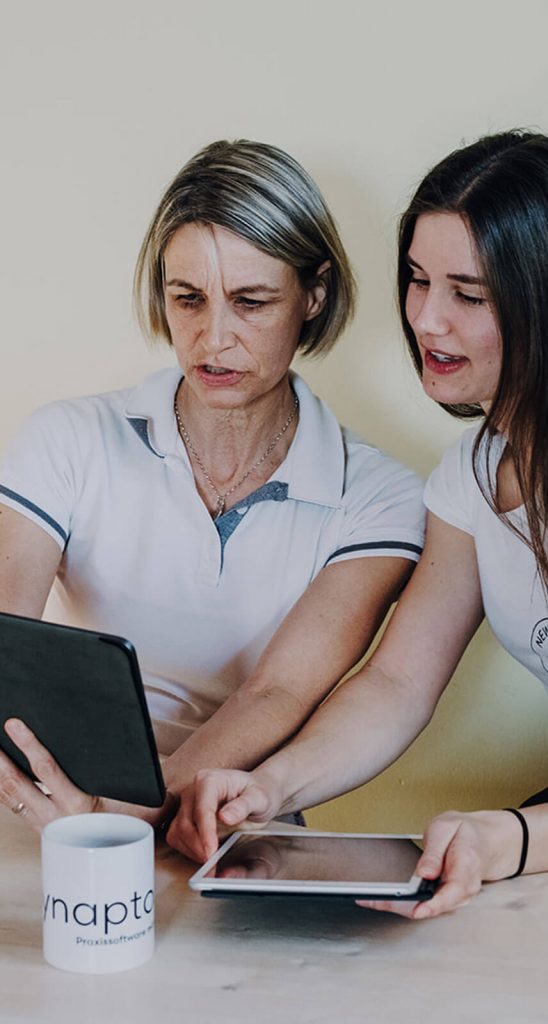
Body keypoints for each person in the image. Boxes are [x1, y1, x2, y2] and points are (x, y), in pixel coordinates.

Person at [174, 130, 548, 911]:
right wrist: (268, 786)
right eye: (417, 281)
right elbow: (396, 680)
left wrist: (507, 840)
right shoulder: (474, 472)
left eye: (468, 295)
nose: (427, 321)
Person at [0, 140, 425, 835]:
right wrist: (74, 807)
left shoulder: (379, 497)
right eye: (187, 299)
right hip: (54, 798)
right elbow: (7, 645)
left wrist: (132, 809)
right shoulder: (68, 438)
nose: (211, 338)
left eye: (251, 301)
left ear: (314, 293)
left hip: (224, 816)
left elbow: (278, 691)